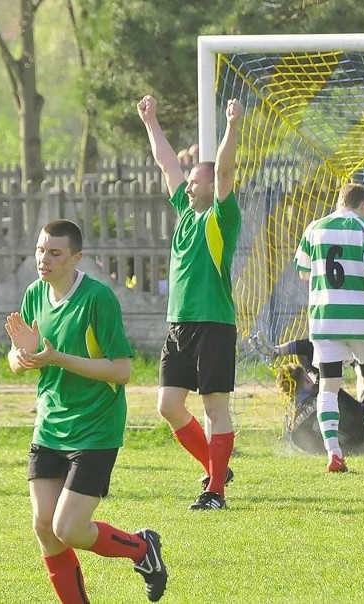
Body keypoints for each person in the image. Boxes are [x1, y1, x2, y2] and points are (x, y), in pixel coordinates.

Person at [4, 219, 167, 603]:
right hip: (49, 426)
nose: (44, 259)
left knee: (69, 527)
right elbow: (17, 357)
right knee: (44, 525)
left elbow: (122, 370)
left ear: (76, 258)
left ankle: (143, 549)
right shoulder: (35, 295)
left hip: (96, 426)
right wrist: (21, 358)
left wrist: (57, 358)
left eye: (55, 252)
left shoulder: (98, 299)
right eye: (41, 249)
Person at [137, 94, 243, 510]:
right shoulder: (184, 210)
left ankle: (215, 491)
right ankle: (217, 467)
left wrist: (232, 126)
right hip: (179, 324)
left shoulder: (221, 217)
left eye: (196, 178)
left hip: (214, 323)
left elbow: (227, 169)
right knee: (168, 405)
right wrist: (151, 121)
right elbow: (165, 162)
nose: (189, 182)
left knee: (215, 408)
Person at [294, 182, 364, 472]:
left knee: (328, 386)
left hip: (324, 319)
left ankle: (334, 454)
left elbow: (304, 273)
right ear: (363, 205)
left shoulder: (314, 228)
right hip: (360, 321)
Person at [249, 334, 364, 455]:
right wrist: (278, 350)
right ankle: (358, 366)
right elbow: (310, 345)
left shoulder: (295, 433)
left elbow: (317, 451)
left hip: (350, 452)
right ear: (307, 378)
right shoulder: (324, 389)